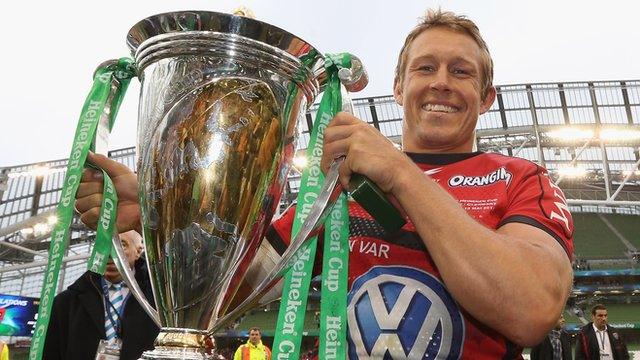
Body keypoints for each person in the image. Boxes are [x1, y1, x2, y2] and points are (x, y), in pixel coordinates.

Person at [74, 8, 575, 359]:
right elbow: (225, 297)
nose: (441, 81)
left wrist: (399, 172)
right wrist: (164, 215)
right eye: (426, 67)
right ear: (399, 87)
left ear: (485, 97)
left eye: (460, 72)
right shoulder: (335, 190)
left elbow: (530, 308)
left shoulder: (521, 179)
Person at [43, 230, 159, 360]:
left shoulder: (158, 300)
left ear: (138, 251)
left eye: (122, 244)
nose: (110, 253)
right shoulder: (65, 303)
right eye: (104, 244)